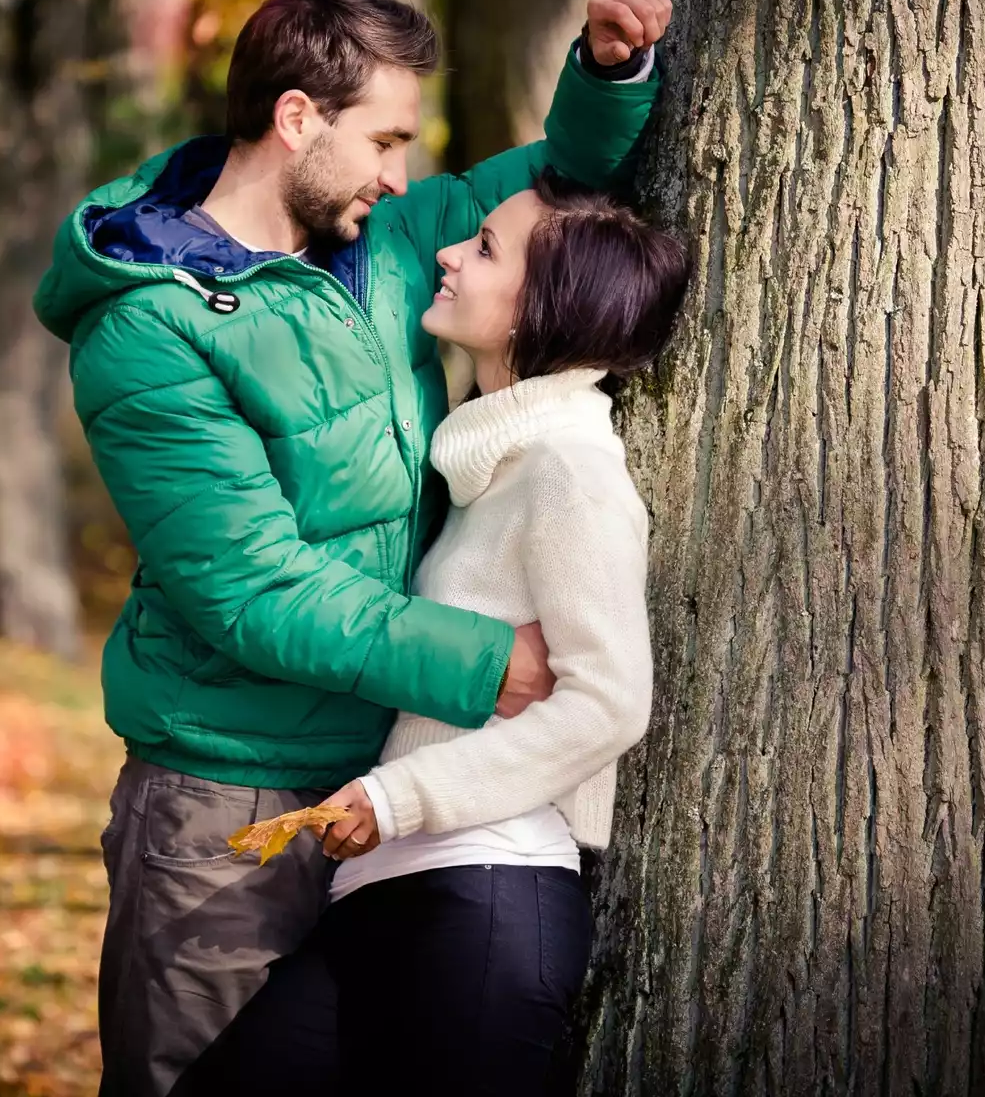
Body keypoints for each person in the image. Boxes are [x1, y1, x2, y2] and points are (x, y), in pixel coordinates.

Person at [31, 0, 673, 1096]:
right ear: (295, 121)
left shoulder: (390, 238)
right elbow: (253, 589)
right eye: (383, 137)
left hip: (394, 791)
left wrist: (610, 71)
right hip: (230, 808)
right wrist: (487, 663)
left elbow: (551, 193)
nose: (400, 172)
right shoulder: (149, 331)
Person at [174, 170, 690, 1096]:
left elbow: (611, 703)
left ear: (543, 309)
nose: (451, 253)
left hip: (485, 898)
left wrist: (401, 798)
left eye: (486, 248)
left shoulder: (572, 467)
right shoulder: (491, 451)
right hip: (387, 895)